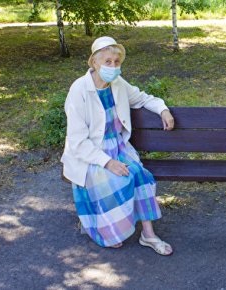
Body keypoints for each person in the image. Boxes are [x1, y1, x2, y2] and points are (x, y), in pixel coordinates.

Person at [61, 36, 175, 255]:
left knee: (140, 175)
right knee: (116, 179)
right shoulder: (79, 90)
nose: (113, 66)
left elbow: (142, 98)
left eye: (116, 61)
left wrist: (163, 109)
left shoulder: (118, 84)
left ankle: (148, 235)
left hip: (118, 148)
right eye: (108, 62)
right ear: (94, 63)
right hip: (91, 155)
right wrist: (107, 162)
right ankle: (108, 231)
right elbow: (77, 142)